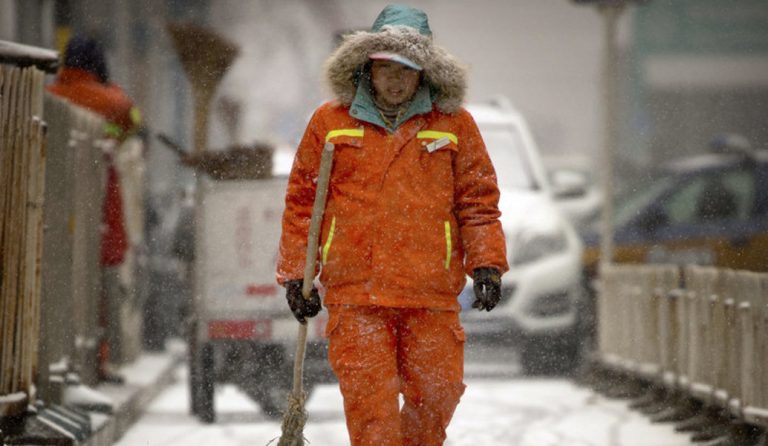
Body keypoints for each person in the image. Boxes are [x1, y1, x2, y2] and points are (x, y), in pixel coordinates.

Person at [277, 5, 508, 445]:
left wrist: (487, 264)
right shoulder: (330, 123)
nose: (396, 80)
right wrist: (295, 275)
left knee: (438, 394)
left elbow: (477, 202)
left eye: (407, 69)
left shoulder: (454, 125)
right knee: (372, 414)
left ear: (424, 72)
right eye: (386, 68)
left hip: (430, 295)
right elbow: (303, 203)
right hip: (357, 296)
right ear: (368, 65)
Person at [48, 34, 142, 383]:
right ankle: (96, 359)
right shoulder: (113, 102)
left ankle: (58, 357)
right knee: (95, 288)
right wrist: (107, 82)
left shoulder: (50, 96)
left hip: (52, 203)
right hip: (97, 202)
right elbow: (132, 117)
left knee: (56, 284)